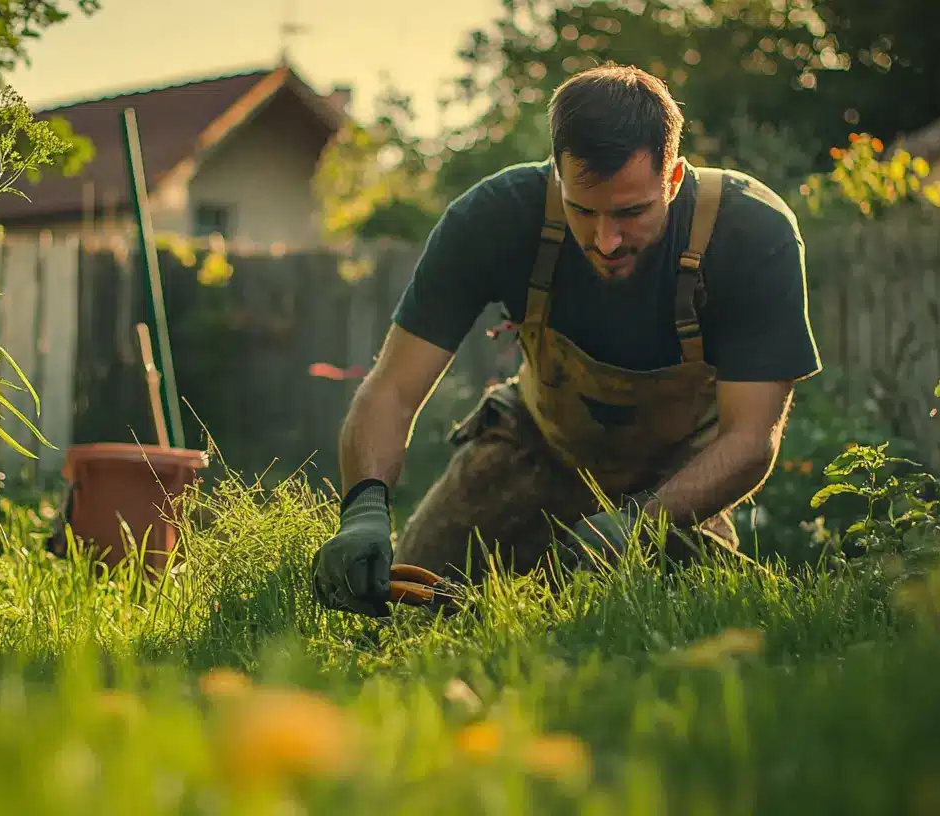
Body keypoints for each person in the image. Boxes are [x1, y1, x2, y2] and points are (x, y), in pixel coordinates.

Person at [311, 63, 821, 617]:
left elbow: (749, 440)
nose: (606, 241)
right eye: (584, 210)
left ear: (672, 179)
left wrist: (633, 527)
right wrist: (363, 509)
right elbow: (391, 390)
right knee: (404, 617)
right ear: (557, 173)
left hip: (673, 486)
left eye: (631, 212)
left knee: (694, 639)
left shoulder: (750, 232)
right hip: (536, 445)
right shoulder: (494, 218)